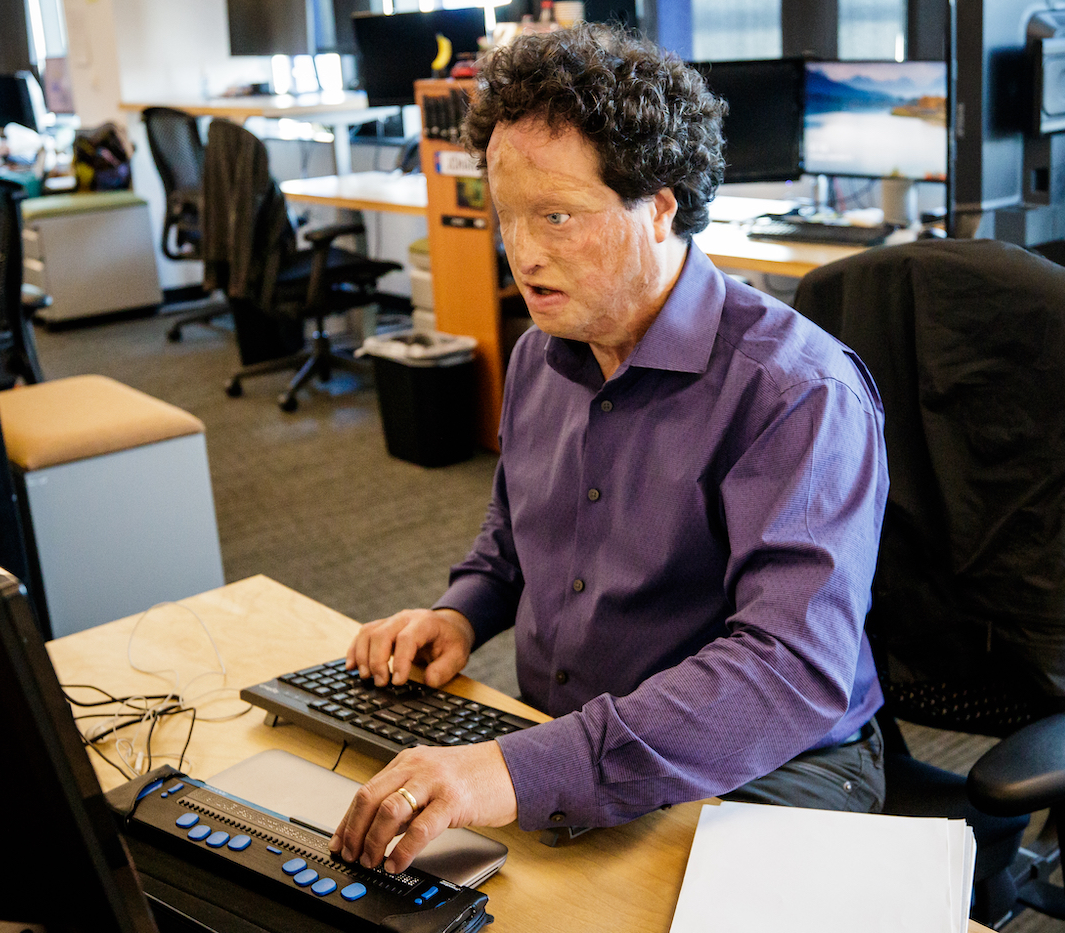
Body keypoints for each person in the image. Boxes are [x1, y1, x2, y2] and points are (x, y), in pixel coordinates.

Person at [330, 23, 890, 875]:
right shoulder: (539, 353)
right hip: (565, 737)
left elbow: (784, 672)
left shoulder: (795, 390)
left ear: (659, 207)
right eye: (505, 218)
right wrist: (459, 613)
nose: (521, 252)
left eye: (556, 216)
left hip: (773, 764)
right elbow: (514, 540)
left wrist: (520, 767)